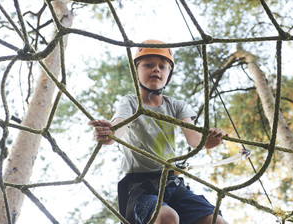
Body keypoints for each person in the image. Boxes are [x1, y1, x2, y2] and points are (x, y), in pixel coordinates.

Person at [89, 40, 228, 224]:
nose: (156, 69)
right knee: (167, 217)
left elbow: (195, 140)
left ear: (168, 75)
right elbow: (118, 128)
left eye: (162, 66)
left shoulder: (177, 106)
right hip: (141, 189)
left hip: (173, 185)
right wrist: (109, 133)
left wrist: (211, 140)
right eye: (148, 65)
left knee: (216, 221)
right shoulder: (130, 102)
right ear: (136, 71)